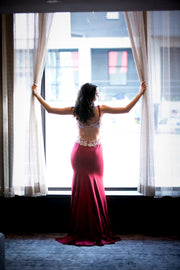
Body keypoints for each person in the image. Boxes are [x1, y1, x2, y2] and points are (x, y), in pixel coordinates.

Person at [32, 81, 146, 246]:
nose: (98, 95)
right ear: (91, 95)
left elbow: (49, 110)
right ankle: (95, 228)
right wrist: (140, 92)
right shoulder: (100, 109)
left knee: (84, 189)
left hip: (80, 153)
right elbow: (126, 109)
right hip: (92, 154)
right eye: (96, 93)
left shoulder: (76, 110)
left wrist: (37, 95)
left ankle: (84, 228)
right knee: (94, 188)